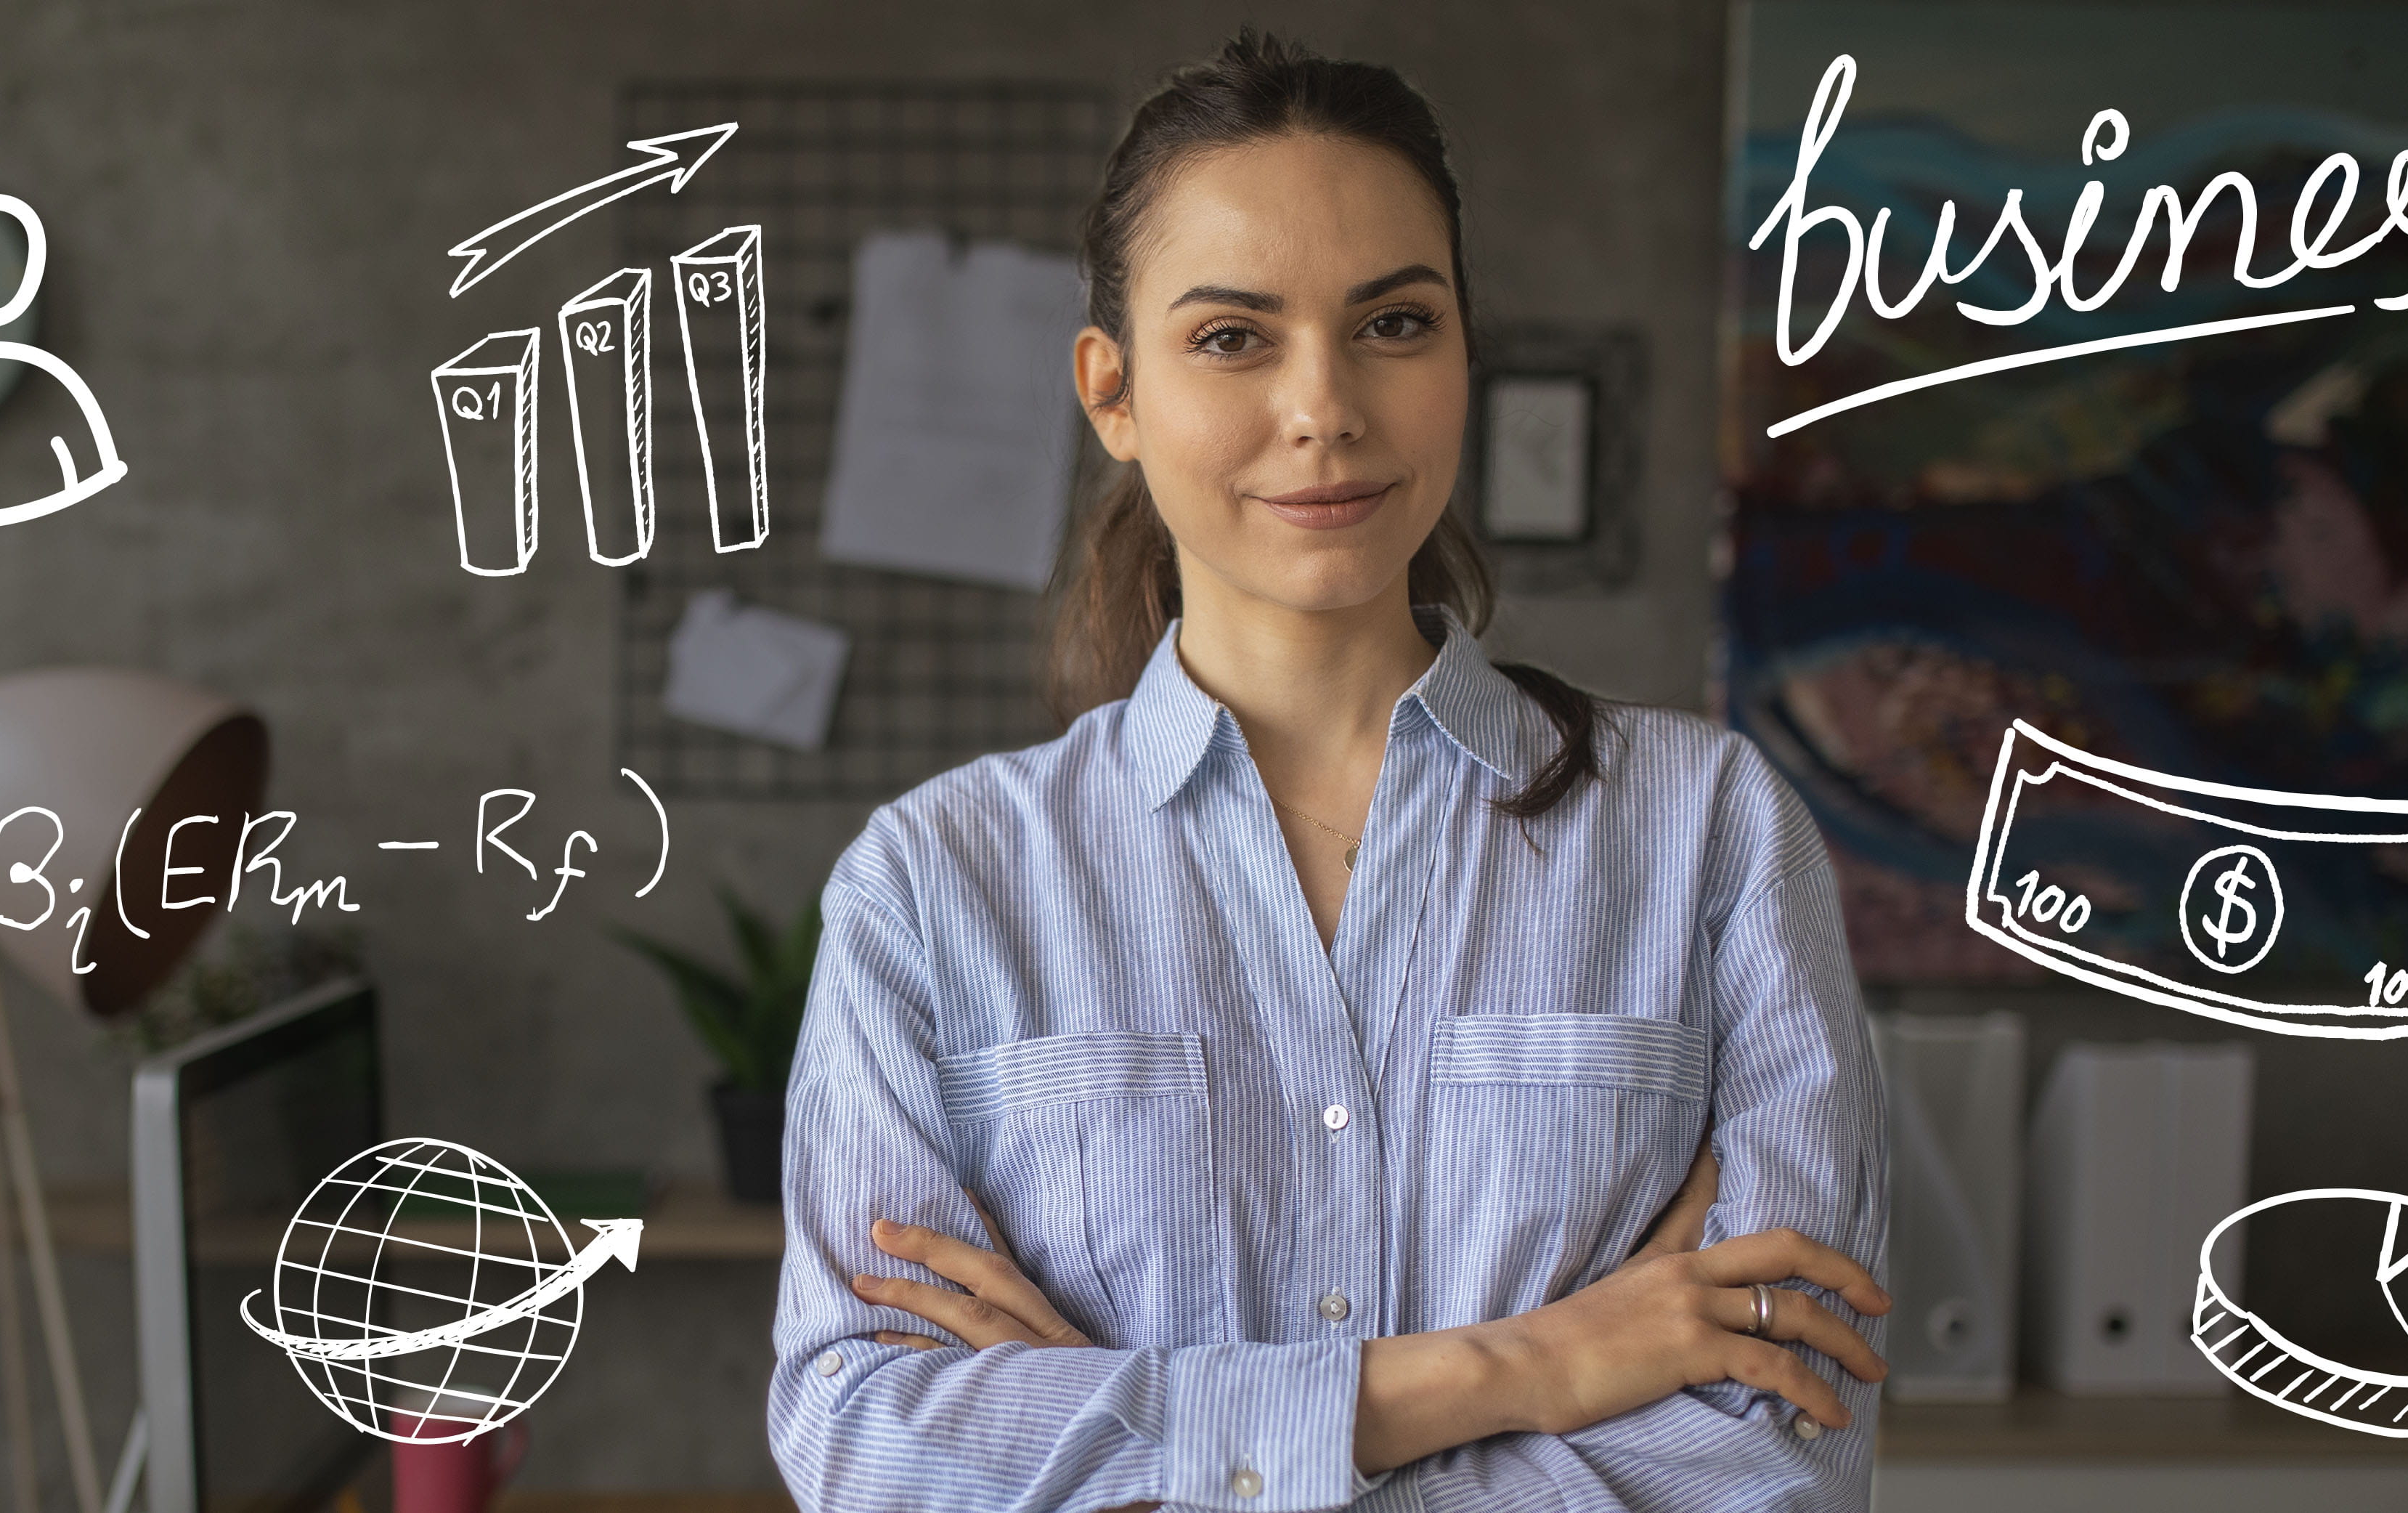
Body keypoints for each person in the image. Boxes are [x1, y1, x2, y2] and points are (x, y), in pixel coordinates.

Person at [766, 31, 1893, 1512]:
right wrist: (1527, 1368)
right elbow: (877, 1445)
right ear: (1112, 391)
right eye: (1233, 337)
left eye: (1394, 325)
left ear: (1462, 355)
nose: (1325, 407)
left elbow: (1779, 1449)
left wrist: (1157, 1441)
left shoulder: (1708, 838)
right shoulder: (934, 888)